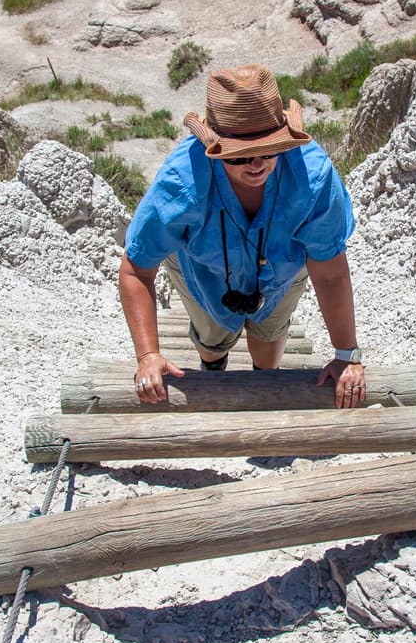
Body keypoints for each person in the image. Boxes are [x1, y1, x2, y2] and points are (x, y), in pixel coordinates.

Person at [119, 63, 365, 409]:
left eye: (271, 150)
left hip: (282, 272)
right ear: (215, 148)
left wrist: (346, 354)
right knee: (211, 337)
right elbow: (135, 269)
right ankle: (213, 365)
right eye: (241, 156)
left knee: (269, 338)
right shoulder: (180, 183)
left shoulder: (313, 178)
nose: (257, 165)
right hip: (200, 269)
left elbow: (330, 272)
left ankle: (263, 379)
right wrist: (148, 355)